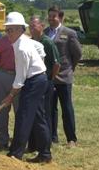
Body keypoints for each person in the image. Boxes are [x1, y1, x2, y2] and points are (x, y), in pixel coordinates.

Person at [1, 12, 52, 163]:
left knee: (23, 116)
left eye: (10, 30)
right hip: (39, 79)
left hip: (34, 81)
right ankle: (45, 154)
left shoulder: (22, 47)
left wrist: (10, 95)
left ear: (20, 29)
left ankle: (15, 154)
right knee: (38, 117)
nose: (7, 33)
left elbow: (20, 78)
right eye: (6, 30)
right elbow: (38, 46)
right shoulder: (22, 42)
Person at [44, 5, 82, 147]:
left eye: (53, 16)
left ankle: (71, 139)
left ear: (60, 17)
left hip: (64, 77)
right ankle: (52, 137)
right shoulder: (45, 32)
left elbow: (77, 54)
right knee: (50, 108)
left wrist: (70, 68)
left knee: (66, 108)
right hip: (49, 77)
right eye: (49, 16)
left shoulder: (69, 33)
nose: (51, 19)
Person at [28, 15, 61, 152]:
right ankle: (33, 143)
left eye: (34, 26)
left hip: (45, 81)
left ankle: (45, 143)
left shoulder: (47, 42)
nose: (31, 29)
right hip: (34, 82)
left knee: (45, 113)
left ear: (42, 26)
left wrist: (50, 79)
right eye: (30, 26)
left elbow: (56, 64)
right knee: (35, 112)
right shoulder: (30, 42)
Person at [0, 34, 17, 149]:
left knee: (19, 110)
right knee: (1, 109)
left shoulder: (26, 41)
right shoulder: (2, 41)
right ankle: (3, 139)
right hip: (3, 74)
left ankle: (18, 140)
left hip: (18, 76)